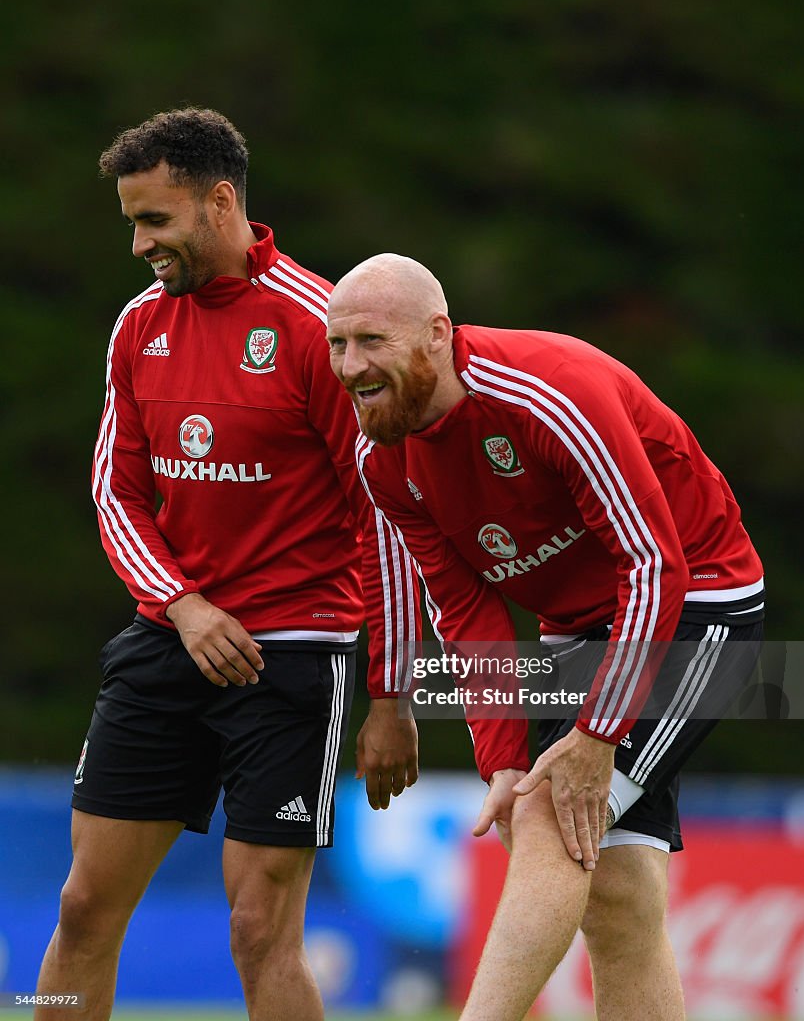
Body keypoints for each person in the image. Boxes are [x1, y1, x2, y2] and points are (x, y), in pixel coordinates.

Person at [34, 111, 419, 1021]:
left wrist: (391, 694)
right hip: (170, 640)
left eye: (156, 220)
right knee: (84, 905)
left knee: (258, 928)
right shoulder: (137, 328)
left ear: (220, 202)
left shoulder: (324, 331)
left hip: (290, 661)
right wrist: (183, 605)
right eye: (131, 221)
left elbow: (385, 517)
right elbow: (115, 495)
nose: (139, 243)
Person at [326, 253, 764, 1021]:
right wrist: (500, 758)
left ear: (436, 334)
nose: (350, 367)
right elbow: (466, 615)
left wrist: (597, 736)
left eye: (370, 342)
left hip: (699, 604)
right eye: (337, 345)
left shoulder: (550, 393)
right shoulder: (382, 460)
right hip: (579, 634)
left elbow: (652, 565)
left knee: (552, 815)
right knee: (619, 899)